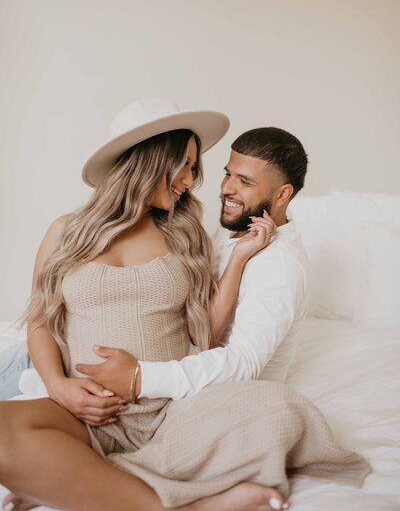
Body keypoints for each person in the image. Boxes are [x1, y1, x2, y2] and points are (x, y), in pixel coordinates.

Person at [0, 99, 370, 511]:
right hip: (86, 414)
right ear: (152, 160)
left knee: (281, 407)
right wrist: (59, 387)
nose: (192, 180)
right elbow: (39, 323)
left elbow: (206, 333)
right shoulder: (66, 231)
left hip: (172, 415)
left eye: (196, 168)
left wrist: (241, 258)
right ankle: (173, 501)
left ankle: (88, 482)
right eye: (186, 165)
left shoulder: (184, 232)